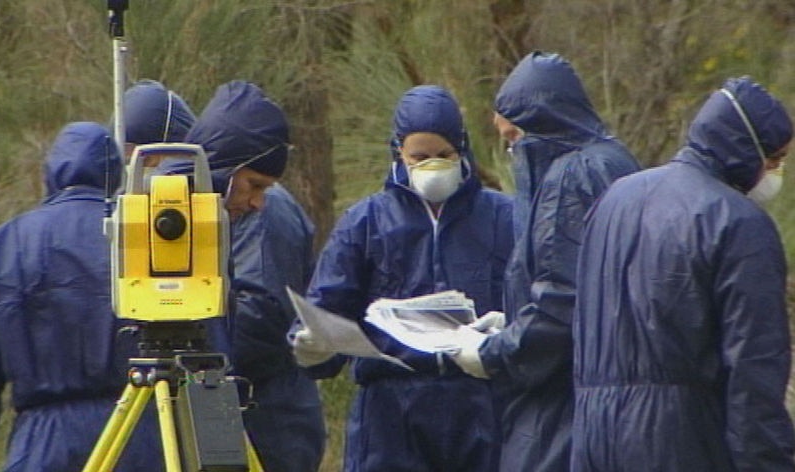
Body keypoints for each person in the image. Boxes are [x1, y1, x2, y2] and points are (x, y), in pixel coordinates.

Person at [571, 77, 795, 471]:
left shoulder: (615, 198)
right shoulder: (737, 222)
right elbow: (753, 371)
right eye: (775, 158)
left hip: (594, 434)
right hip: (682, 440)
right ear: (748, 150)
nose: (776, 172)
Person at [292, 85, 517, 472]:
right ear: (398, 151)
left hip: (481, 406)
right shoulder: (365, 222)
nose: (432, 166)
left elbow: (532, 303)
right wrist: (311, 343)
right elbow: (327, 305)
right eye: (420, 157)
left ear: (462, 148)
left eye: (444, 155)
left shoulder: (504, 217)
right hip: (390, 413)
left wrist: (508, 331)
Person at [446, 51, 641, 472]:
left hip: (563, 408)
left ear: (544, 126)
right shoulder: (615, 161)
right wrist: (512, 317)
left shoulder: (570, 177)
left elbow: (560, 305)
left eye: (514, 139)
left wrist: (495, 351)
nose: (512, 152)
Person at [0, 122, 161, 471]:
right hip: (136, 428)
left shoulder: (9, 243)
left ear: (50, 173)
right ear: (116, 174)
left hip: (43, 440)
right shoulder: (144, 235)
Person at [159, 80, 326, 472]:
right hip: (225, 401)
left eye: (261, 187)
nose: (256, 201)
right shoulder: (202, 211)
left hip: (265, 418)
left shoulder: (260, 217)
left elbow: (261, 315)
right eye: (253, 186)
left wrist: (197, 354)